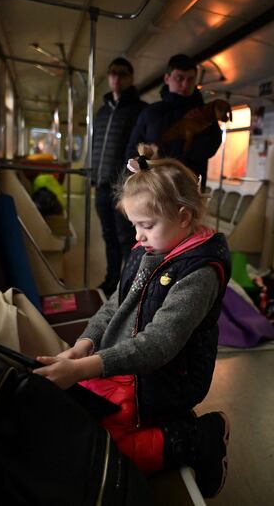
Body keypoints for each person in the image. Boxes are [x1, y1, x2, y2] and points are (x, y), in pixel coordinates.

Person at [34, 145, 231, 498]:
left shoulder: (200, 272)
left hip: (164, 379)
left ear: (184, 217)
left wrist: (84, 370)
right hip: (128, 364)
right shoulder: (150, 249)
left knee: (106, 454)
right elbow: (116, 304)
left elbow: (159, 344)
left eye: (146, 225)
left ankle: (195, 438)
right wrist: (84, 346)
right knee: (79, 427)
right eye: (135, 225)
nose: (137, 237)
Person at [92, 57, 148, 296]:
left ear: (131, 77)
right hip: (102, 184)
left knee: (127, 237)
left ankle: (131, 285)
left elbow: (138, 150)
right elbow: (96, 145)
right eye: (113, 73)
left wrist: (129, 184)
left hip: (124, 186)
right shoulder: (103, 111)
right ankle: (112, 279)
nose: (116, 77)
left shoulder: (139, 110)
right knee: (108, 236)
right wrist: (94, 177)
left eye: (122, 73)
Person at [127, 54, 222, 190]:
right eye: (180, 78)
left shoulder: (205, 115)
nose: (185, 84)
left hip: (190, 187)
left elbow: (211, 146)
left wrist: (166, 155)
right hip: (155, 188)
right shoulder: (151, 113)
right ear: (167, 78)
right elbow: (132, 150)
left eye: (190, 79)